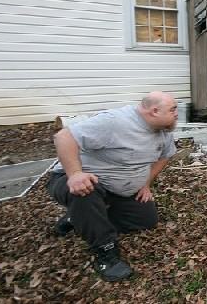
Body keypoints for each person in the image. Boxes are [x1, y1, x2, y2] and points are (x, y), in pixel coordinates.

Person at [48, 92, 178, 282]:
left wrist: (145, 184)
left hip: (117, 189)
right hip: (79, 181)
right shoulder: (114, 122)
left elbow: (165, 155)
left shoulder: (163, 130)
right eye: (173, 109)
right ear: (154, 111)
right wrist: (75, 173)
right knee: (86, 192)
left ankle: (78, 218)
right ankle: (105, 252)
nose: (176, 114)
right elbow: (63, 137)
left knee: (145, 220)